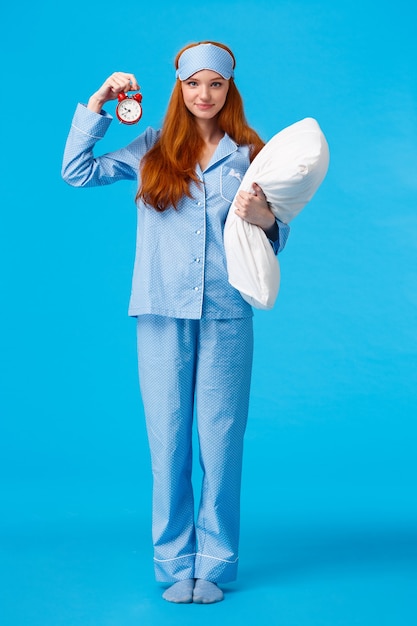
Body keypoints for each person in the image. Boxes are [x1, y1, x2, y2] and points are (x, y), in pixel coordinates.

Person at [62, 41, 290, 604]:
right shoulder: (152, 148)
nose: (204, 94)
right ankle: (173, 563)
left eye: (215, 84)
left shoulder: (251, 153)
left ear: (229, 89)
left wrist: (267, 219)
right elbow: (77, 171)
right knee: (167, 442)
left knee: (220, 442)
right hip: (161, 309)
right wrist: (96, 106)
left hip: (227, 313)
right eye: (193, 84)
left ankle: (213, 562)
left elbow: (275, 232)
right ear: (179, 89)